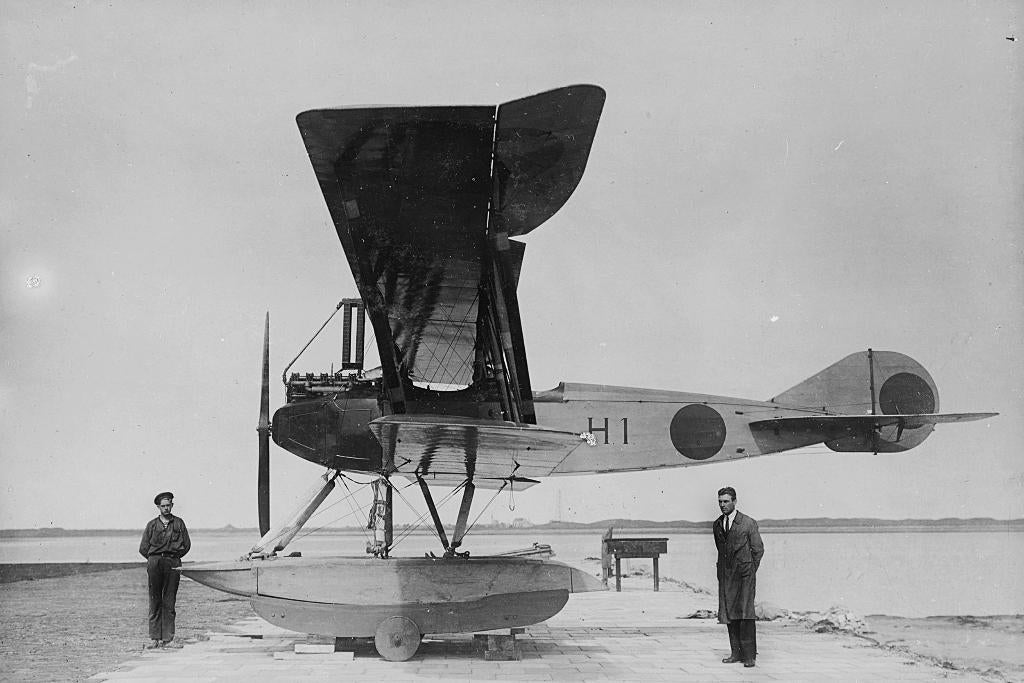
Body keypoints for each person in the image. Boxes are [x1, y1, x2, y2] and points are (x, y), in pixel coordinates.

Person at [714, 486, 764, 668]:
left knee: (746, 614)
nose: (722, 505)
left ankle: (749, 656)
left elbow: (758, 549)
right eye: (720, 502)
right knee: (729, 614)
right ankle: (735, 653)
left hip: (744, 576)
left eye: (726, 501)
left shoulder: (748, 523)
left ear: (734, 502)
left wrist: (749, 569)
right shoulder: (718, 524)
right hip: (727, 576)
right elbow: (721, 551)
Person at [139, 491, 191, 649]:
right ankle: (154, 638)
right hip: (155, 563)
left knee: (169, 600)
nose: (166, 508)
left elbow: (186, 545)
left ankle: (168, 639)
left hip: (172, 563)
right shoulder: (152, 525)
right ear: (158, 507)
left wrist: (173, 557)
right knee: (155, 600)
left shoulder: (179, 523)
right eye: (163, 506)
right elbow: (143, 548)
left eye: (168, 505)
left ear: (172, 505)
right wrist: (154, 559)